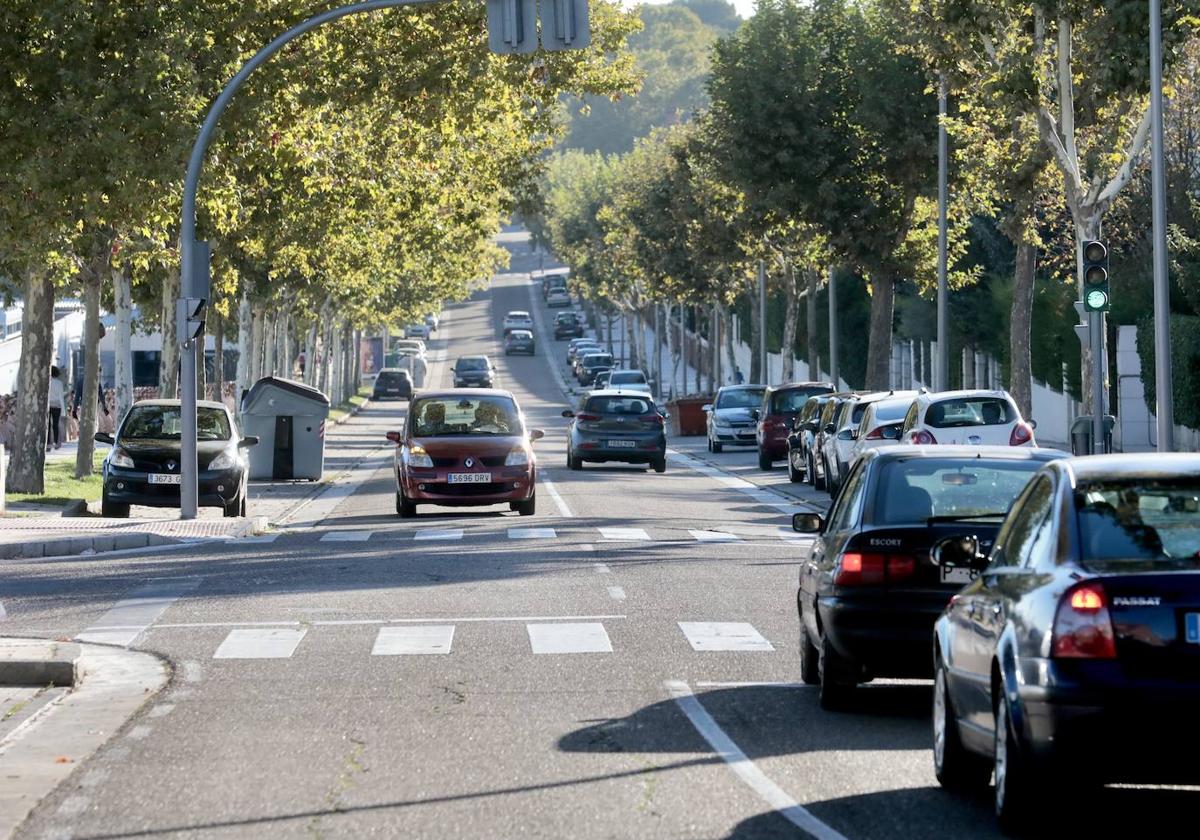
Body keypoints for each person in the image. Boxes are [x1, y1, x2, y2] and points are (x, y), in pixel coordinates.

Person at [47, 366, 66, 450]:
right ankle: (56, 442)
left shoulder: (47, 382)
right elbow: (61, 396)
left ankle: (47, 443)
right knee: (55, 424)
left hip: (48, 405)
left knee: (47, 425)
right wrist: (63, 411)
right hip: (57, 405)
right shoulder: (59, 383)